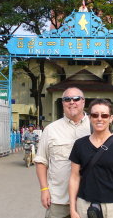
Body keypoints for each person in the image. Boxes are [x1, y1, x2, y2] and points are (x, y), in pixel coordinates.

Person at [69, 99, 113, 218]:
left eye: (104, 115)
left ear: (110, 118)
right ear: (89, 117)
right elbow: (74, 177)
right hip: (84, 204)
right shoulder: (79, 144)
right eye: (95, 115)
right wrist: (73, 209)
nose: (99, 119)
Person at [34, 87, 90, 218]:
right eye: (67, 99)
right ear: (62, 103)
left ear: (83, 102)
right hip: (59, 199)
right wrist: (44, 189)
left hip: (87, 199)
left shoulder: (95, 127)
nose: (72, 102)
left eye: (76, 98)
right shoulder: (51, 129)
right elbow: (41, 161)